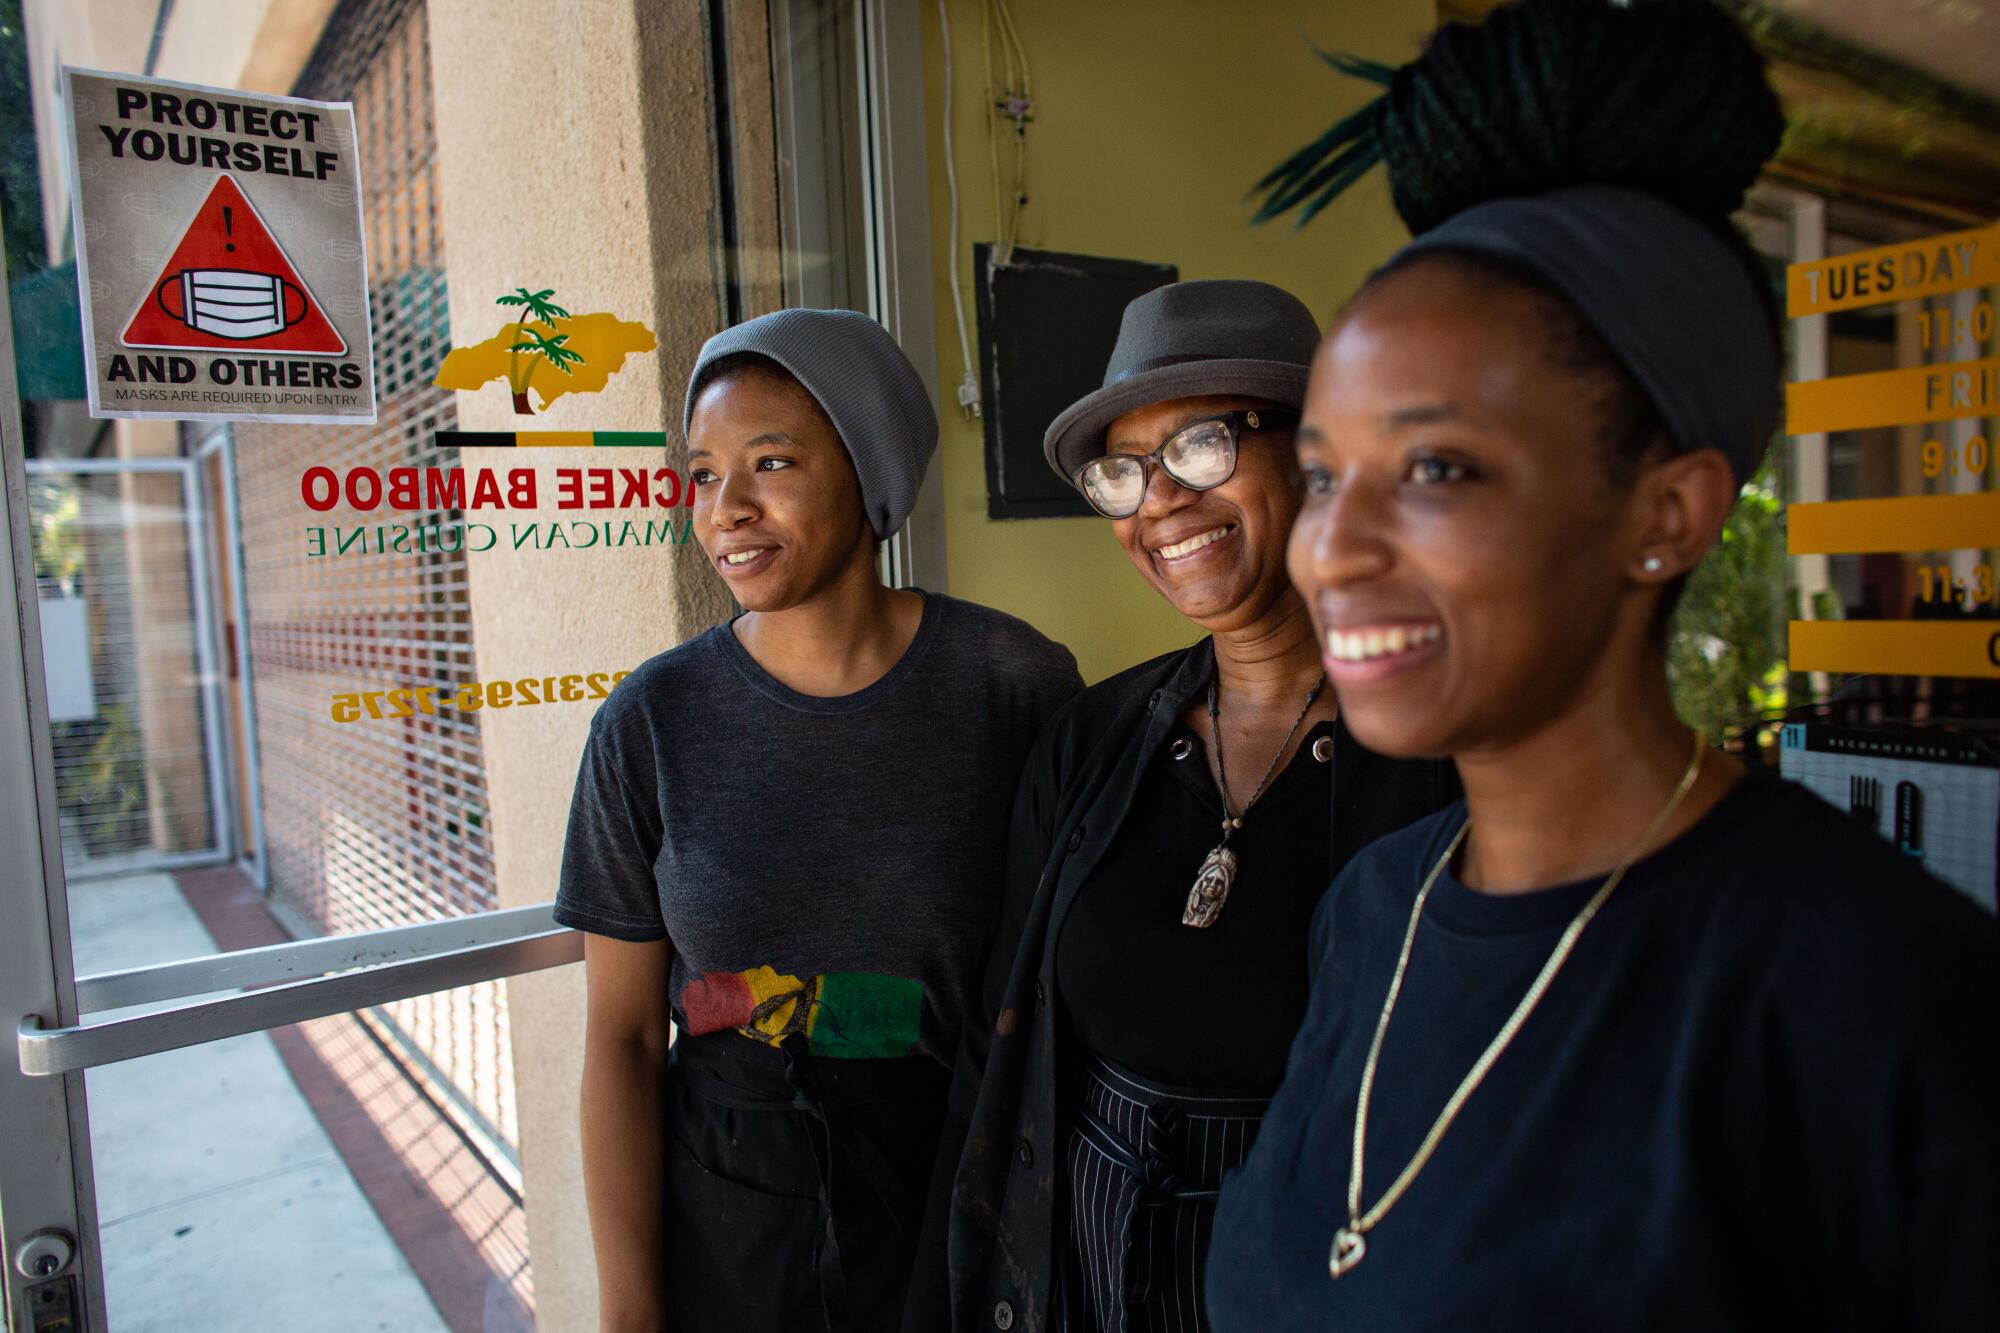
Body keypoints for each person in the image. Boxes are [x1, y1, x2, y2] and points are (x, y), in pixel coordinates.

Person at [1207, 3, 2000, 1329]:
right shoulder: (1372, 914)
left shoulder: (1883, 998)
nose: (1328, 548)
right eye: (1324, 476)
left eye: (1438, 469)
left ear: (1668, 515)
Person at [914, 280, 1457, 1333]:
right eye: (1122, 471)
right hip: (1082, 1262)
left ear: (1316, 457)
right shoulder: (1091, 738)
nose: (1155, 499)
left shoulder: (1444, 752)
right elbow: (1000, 1038)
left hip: (1333, 1275)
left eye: (1201, 446)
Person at [555, 307, 1082, 1333]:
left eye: (770, 462)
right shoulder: (649, 722)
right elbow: (620, 1038)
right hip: (729, 1201)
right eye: (702, 474)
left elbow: (1063, 981)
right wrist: (627, 1310)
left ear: (867, 465)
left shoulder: (1009, 685)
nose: (726, 510)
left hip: (955, 1184)